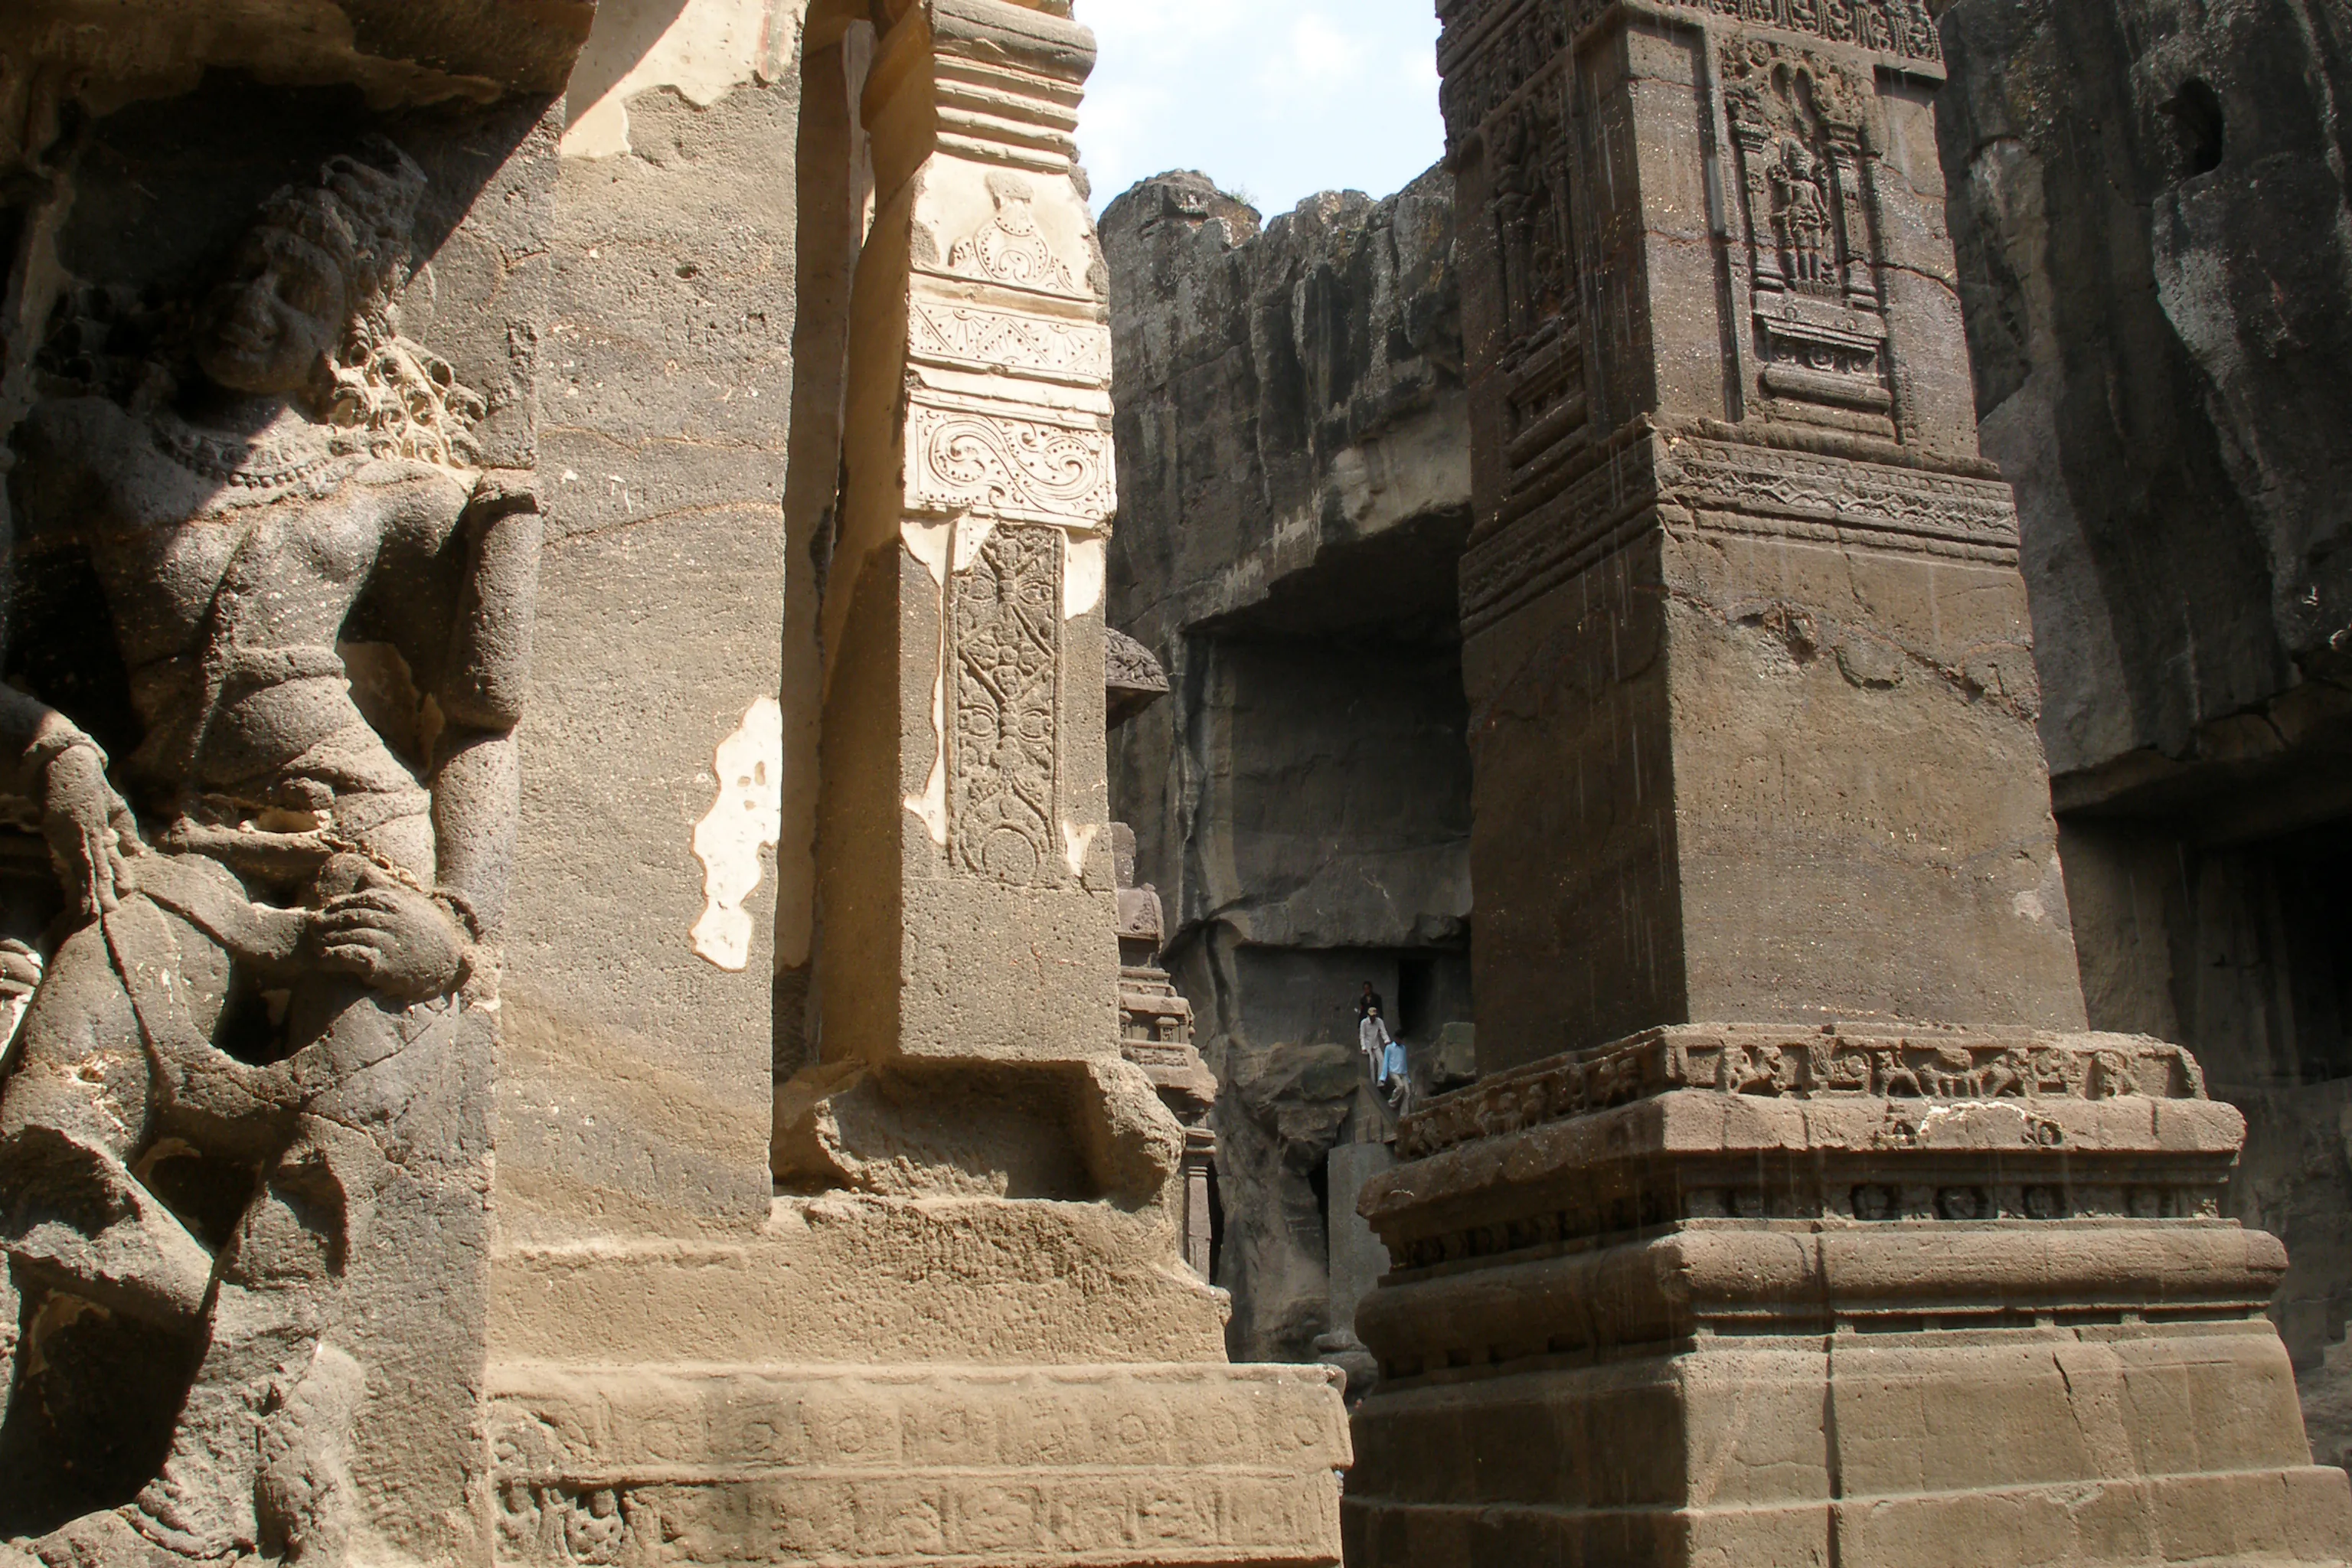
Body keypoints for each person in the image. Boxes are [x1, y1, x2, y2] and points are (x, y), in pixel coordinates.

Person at [0, 136, 538, 1564]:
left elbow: (485, 721)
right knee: (39, 1150)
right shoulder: (88, 448)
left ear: (345, 336)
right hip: (178, 852)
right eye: (246, 274)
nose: (258, 306)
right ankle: (299, 1383)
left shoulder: (391, 492)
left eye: (301, 292)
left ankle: (190, 1503)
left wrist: (456, 922)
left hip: (366, 851)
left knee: (323, 1180)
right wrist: (55, 749)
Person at [1358, 1001, 1392, 1089]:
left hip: (1376, 1044)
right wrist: (1363, 1047)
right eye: (1372, 1016)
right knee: (1371, 1062)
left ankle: (1380, 1082)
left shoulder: (1379, 1021)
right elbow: (1362, 1036)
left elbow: (1383, 1032)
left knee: (1382, 1060)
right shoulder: (1364, 1023)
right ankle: (1372, 1084)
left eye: (1374, 1016)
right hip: (1368, 1045)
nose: (1373, 1018)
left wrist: (1387, 1041)